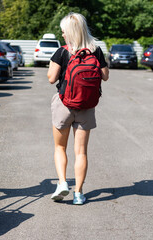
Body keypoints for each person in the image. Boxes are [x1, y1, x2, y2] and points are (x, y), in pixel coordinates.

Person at [47, 12, 109, 205]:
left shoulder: (62, 51)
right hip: (86, 107)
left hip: (64, 105)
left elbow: (51, 78)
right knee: (81, 151)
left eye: (63, 31)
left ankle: (63, 183)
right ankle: (79, 194)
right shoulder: (96, 51)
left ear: (70, 32)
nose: (62, 34)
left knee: (60, 147)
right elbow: (105, 76)